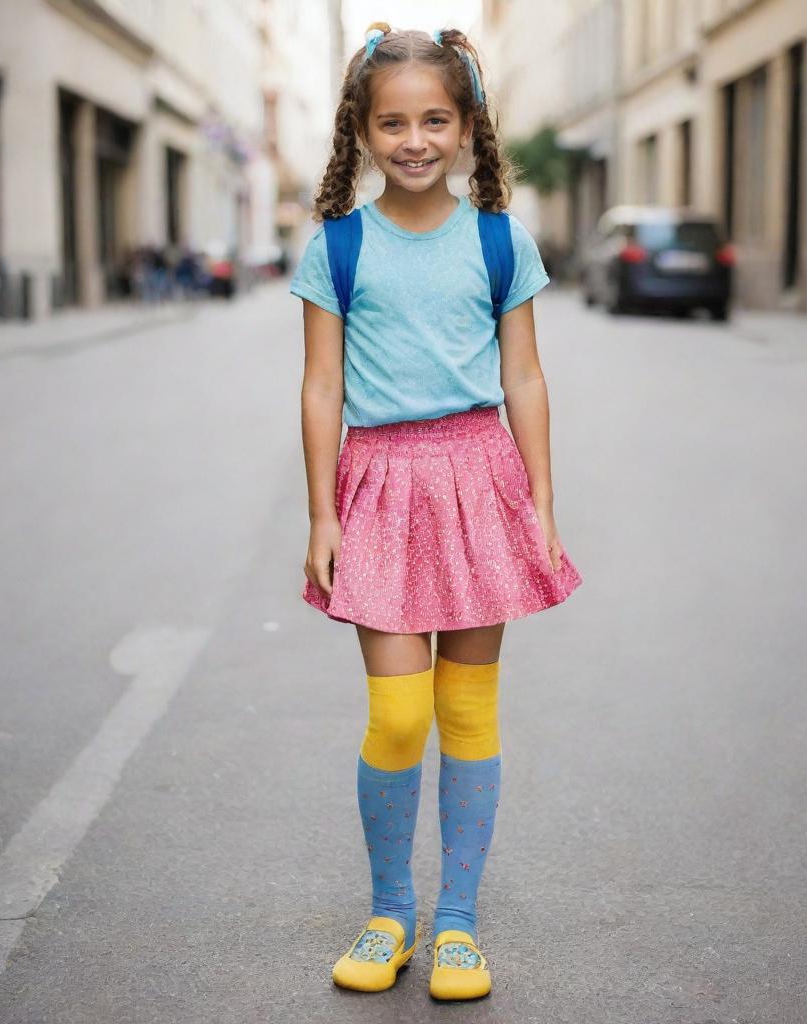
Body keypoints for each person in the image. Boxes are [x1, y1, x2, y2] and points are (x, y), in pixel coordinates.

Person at [290, 23, 582, 1002]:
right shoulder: (336, 244)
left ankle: (455, 921)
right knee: (399, 710)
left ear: (465, 128)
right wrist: (321, 513)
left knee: (464, 707)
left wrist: (540, 503)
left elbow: (527, 376)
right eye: (392, 123)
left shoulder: (500, 240)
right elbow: (320, 386)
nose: (413, 140)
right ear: (362, 133)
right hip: (376, 486)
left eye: (433, 120)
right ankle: (389, 912)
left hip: (477, 478)